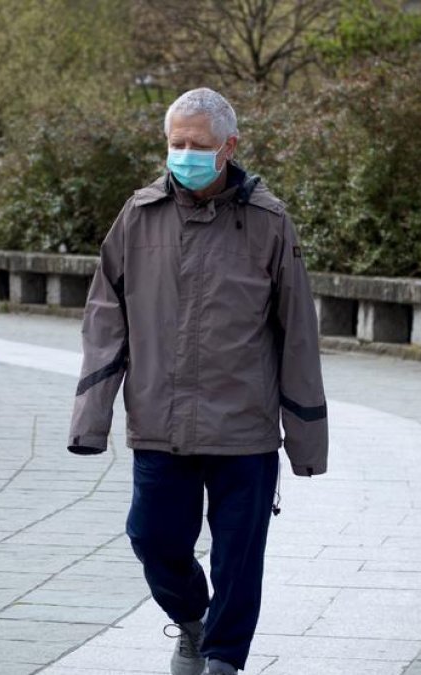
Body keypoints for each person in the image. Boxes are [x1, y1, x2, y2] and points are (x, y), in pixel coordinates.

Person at [68, 88, 328, 675]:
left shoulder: (268, 221)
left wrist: (305, 440)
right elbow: (105, 315)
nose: (183, 154)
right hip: (161, 423)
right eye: (175, 144)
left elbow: (298, 337)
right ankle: (192, 622)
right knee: (152, 539)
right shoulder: (138, 216)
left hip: (245, 430)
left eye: (197, 145)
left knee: (239, 558)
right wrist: (92, 418)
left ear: (229, 147)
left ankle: (223, 661)